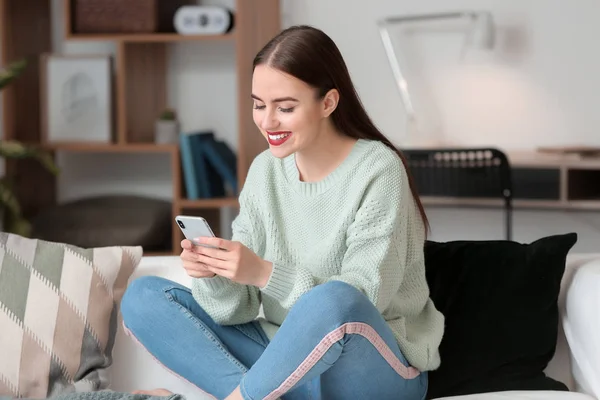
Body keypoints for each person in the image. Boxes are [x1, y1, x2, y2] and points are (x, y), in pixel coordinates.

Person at [121, 24, 444, 400]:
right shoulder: (265, 170)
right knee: (143, 298)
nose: (267, 121)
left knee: (333, 298)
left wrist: (263, 273)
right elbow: (238, 309)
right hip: (281, 362)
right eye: (259, 104)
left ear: (328, 103)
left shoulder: (378, 169)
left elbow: (359, 303)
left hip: (372, 365)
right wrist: (216, 274)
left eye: (285, 108)